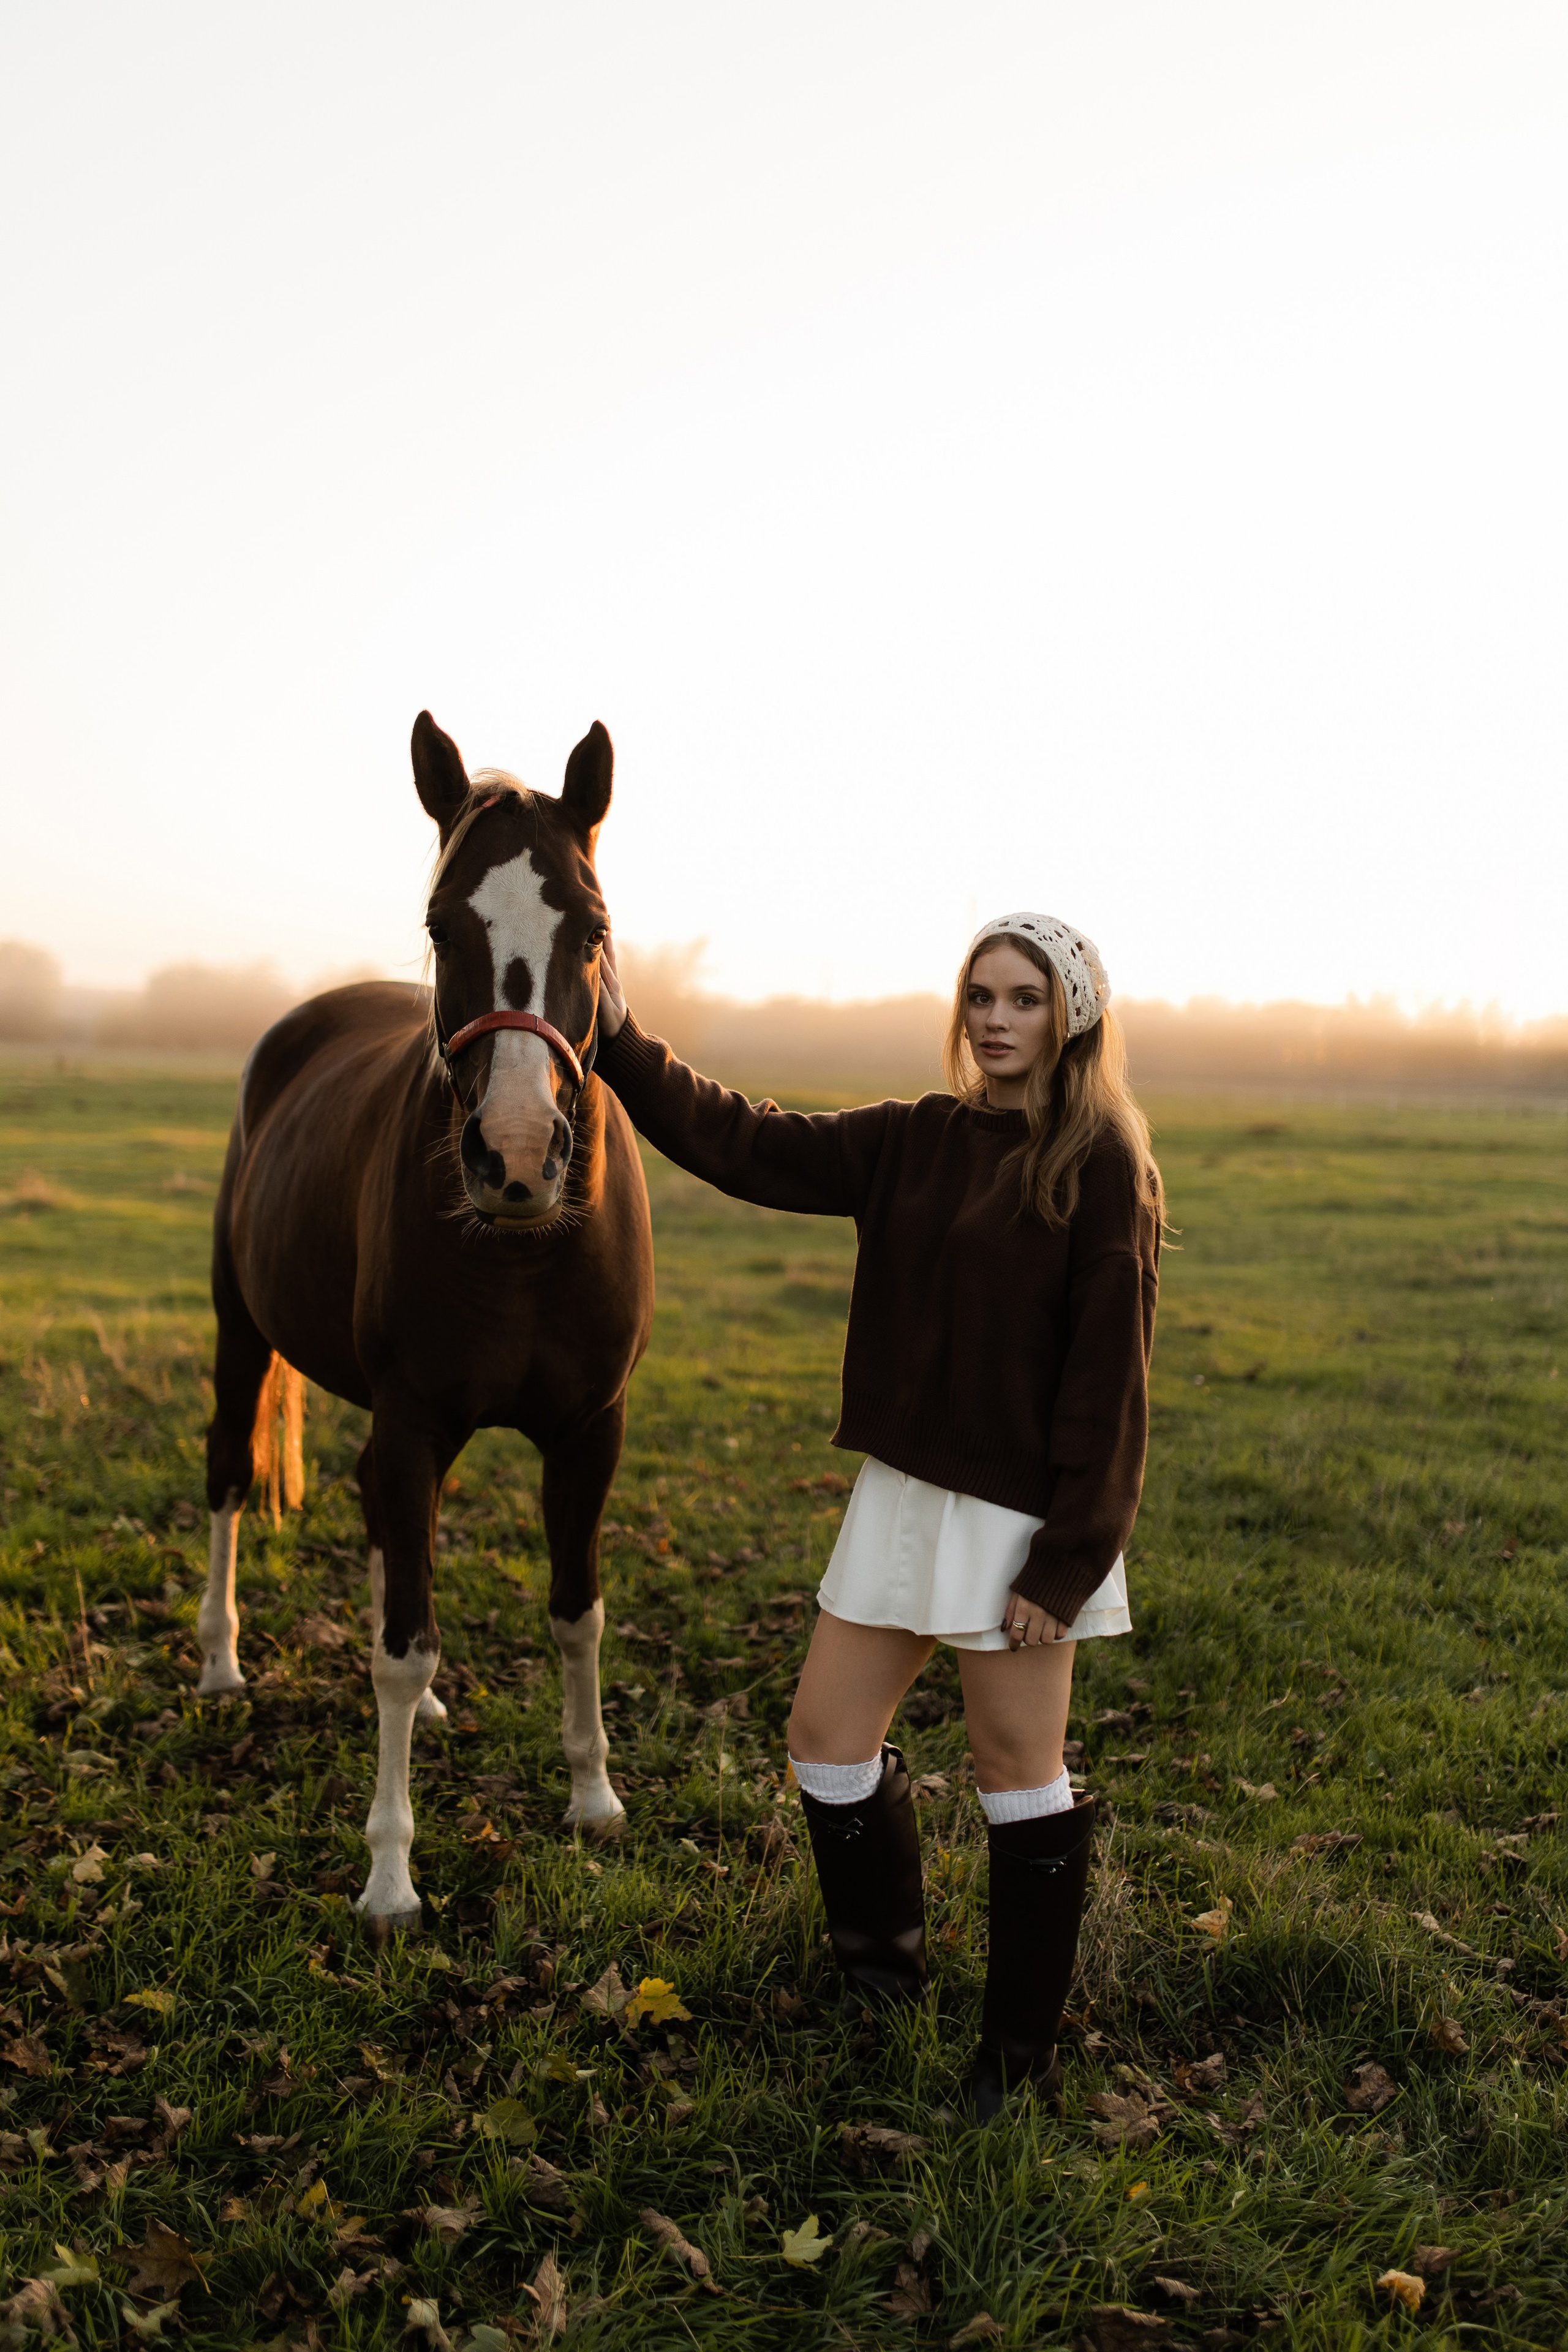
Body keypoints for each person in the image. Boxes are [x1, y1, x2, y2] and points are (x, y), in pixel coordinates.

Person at [594, 913, 1162, 2118]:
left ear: (1072, 1019)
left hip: (1017, 1521)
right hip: (902, 1494)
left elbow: (1109, 1387)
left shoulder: (1100, 1164)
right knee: (823, 1737)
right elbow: (741, 1141)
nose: (995, 1021)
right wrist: (615, 1041)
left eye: (1021, 999)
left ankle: (1016, 2057)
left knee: (1018, 1773)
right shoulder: (916, 1138)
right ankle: (880, 1982)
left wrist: (1061, 1565)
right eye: (978, 998)